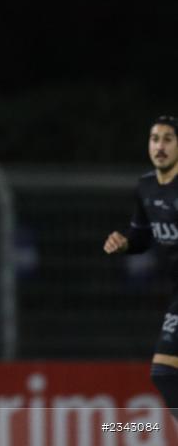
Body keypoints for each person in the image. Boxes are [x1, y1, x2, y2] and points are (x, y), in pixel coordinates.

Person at [104, 115, 178, 419]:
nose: (160, 146)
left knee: (164, 371)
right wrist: (125, 243)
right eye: (154, 139)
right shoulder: (146, 186)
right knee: (164, 373)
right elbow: (142, 236)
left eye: (168, 139)